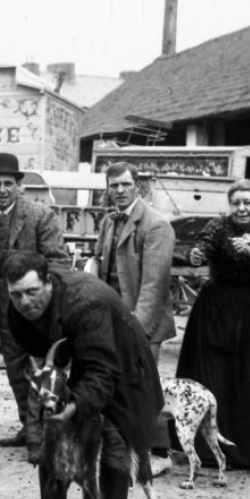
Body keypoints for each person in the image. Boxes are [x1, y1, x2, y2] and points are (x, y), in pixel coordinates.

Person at [0, 250, 163, 499]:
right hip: (78, 353)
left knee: (113, 443)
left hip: (122, 365)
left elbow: (102, 373)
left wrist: (74, 406)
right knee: (53, 441)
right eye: (16, 294)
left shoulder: (85, 304)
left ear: (49, 283)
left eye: (32, 292)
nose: (23, 301)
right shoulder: (19, 284)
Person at [177, 178, 250, 468]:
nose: (241, 208)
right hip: (217, 307)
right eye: (236, 203)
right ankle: (208, 449)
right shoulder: (218, 226)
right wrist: (195, 255)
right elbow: (202, 246)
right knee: (213, 375)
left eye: (247, 202)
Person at [0, 152, 68, 460]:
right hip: (1, 306)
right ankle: (26, 426)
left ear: (19, 185)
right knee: (15, 368)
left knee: (43, 369)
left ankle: (46, 432)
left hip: (33, 308)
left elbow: (58, 261)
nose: (2, 189)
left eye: (8, 183)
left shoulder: (39, 215)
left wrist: (42, 298)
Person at [94, 162, 176, 476]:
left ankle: (159, 452)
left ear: (137, 186)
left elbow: (154, 286)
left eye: (125, 184)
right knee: (118, 384)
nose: (119, 190)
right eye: (113, 185)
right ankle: (127, 447)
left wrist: (137, 331)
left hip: (143, 324)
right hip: (113, 319)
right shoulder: (107, 222)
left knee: (145, 386)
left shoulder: (156, 225)